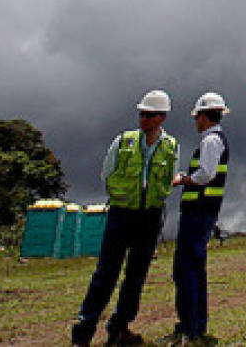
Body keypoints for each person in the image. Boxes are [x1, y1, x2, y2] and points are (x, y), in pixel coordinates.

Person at [71, 90, 179, 347]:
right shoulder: (124, 141)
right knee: (106, 273)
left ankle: (120, 328)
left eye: (149, 115)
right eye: (141, 114)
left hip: (150, 217)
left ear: (162, 117)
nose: (143, 119)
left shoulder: (170, 146)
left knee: (136, 275)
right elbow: (107, 173)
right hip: (121, 214)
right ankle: (83, 332)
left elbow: (169, 177)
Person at [171, 91, 230, 346]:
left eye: (197, 117)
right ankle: (195, 323)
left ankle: (190, 325)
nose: (196, 122)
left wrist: (184, 180)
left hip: (199, 210)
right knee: (194, 267)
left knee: (186, 267)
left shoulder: (210, 141)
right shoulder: (215, 140)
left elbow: (206, 173)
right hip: (204, 209)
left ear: (205, 116)